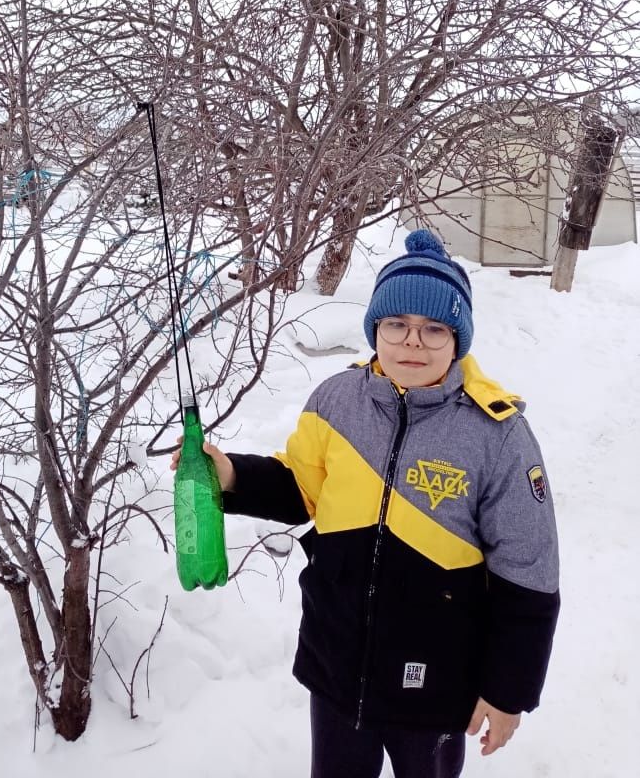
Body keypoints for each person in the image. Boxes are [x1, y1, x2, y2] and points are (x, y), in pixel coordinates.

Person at [172, 228, 560, 778]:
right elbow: (299, 488)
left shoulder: (496, 433)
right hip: (338, 661)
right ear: (375, 328)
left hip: (437, 676)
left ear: (459, 338)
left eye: (433, 329)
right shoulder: (336, 400)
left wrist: (508, 691)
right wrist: (230, 474)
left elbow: (529, 570)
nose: (411, 343)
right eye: (395, 325)